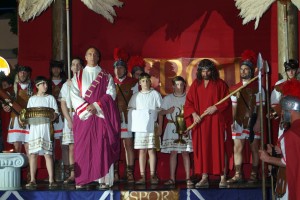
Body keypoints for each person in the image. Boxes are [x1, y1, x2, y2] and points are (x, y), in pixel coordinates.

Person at [70, 47, 120, 189]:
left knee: (101, 147)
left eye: (95, 54)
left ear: (98, 57)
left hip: (100, 116)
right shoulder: (78, 76)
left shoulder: (106, 75)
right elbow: (74, 95)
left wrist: (96, 106)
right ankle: (82, 179)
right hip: (83, 117)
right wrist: (87, 108)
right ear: (85, 57)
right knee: (82, 148)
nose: (92, 56)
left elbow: (111, 94)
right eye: (89, 54)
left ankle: (102, 179)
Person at [184, 59, 231, 188]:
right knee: (203, 149)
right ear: (199, 71)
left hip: (216, 121)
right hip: (201, 122)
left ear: (212, 70)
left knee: (218, 147)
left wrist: (216, 107)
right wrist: (193, 114)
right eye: (203, 70)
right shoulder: (196, 85)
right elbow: (189, 103)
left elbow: (227, 101)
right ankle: (204, 177)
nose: (205, 73)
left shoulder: (220, 84)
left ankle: (223, 177)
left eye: (208, 70)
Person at [227, 50, 265, 184]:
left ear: (251, 70)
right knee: (237, 148)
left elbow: (261, 107)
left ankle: (254, 174)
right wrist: (232, 121)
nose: (243, 72)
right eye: (241, 69)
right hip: (238, 121)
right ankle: (238, 174)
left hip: (254, 120)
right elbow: (234, 106)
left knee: (254, 148)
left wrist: (258, 122)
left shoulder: (259, 88)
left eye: (246, 69)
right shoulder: (235, 88)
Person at [260, 79, 300, 200]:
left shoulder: (292, 133)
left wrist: (268, 158)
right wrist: (280, 149)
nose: (281, 113)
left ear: (290, 108)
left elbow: (288, 162)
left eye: (283, 109)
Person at [158, 76, 193, 187]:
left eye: (181, 85)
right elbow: (160, 113)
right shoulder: (168, 98)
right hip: (172, 127)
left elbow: (193, 114)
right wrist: (168, 111)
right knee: (173, 153)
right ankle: (172, 178)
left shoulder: (188, 98)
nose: (179, 87)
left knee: (185, 152)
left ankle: (188, 178)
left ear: (184, 86)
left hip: (185, 128)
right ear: (173, 86)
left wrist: (189, 127)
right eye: (177, 84)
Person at [128, 72, 162, 184]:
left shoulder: (155, 94)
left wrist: (159, 124)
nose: (145, 83)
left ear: (150, 82)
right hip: (140, 128)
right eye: (143, 81)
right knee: (142, 151)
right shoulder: (136, 96)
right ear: (139, 83)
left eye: (147, 80)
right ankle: (142, 176)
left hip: (152, 127)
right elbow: (130, 109)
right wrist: (139, 114)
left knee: (151, 150)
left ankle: (153, 175)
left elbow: (160, 110)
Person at [25, 76, 59, 189]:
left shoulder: (50, 98)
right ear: (37, 85)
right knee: (33, 154)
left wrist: (53, 116)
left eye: (46, 84)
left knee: (48, 154)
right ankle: (33, 179)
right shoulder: (32, 99)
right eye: (43, 84)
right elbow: (28, 114)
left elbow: (56, 113)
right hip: (34, 128)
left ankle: (51, 179)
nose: (46, 86)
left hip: (45, 128)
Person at [113, 48, 138, 183]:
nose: (119, 70)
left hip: (128, 118)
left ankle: (129, 173)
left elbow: (136, 101)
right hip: (114, 118)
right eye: (117, 68)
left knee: (128, 145)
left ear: (125, 69)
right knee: (115, 146)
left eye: (121, 68)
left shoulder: (133, 82)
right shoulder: (110, 82)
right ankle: (115, 173)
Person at [59, 58, 83, 184]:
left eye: (78, 64)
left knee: (84, 146)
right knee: (72, 147)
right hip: (71, 114)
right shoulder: (66, 84)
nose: (76, 66)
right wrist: (68, 119)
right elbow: (63, 104)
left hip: (83, 114)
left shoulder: (85, 82)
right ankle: (73, 174)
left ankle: (86, 173)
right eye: (73, 65)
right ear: (71, 68)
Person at [2, 66, 33, 153]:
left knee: (29, 147)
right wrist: (5, 107)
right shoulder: (11, 90)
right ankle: (17, 166)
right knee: (17, 146)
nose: (22, 74)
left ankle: (31, 167)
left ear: (28, 74)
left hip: (29, 119)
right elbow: (6, 102)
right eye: (20, 72)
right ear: (17, 74)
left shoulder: (34, 88)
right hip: (15, 119)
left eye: (24, 72)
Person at [48, 60, 68, 180]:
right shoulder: (46, 83)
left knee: (64, 145)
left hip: (62, 117)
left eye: (58, 68)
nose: (56, 70)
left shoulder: (66, 83)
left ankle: (67, 173)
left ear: (61, 70)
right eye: (53, 68)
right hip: (50, 118)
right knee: (50, 146)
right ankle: (52, 175)